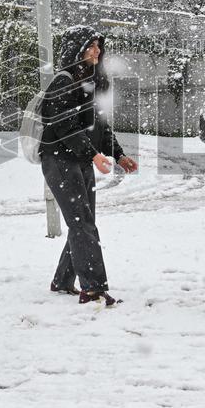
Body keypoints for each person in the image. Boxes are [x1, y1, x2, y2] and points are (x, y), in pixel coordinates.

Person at [40, 25, 138, 306]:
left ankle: (62, 281)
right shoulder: (64, 81)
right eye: (90, 46)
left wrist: (118, 155)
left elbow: (99, 126)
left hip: (78, 159)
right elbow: (64, 126)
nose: (97, 51)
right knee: (82, 223)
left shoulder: (90, 82)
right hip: (58, 160)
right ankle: (93, 288)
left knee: (83, 222)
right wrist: (92, 154)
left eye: (98, 46)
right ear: (76, 49)